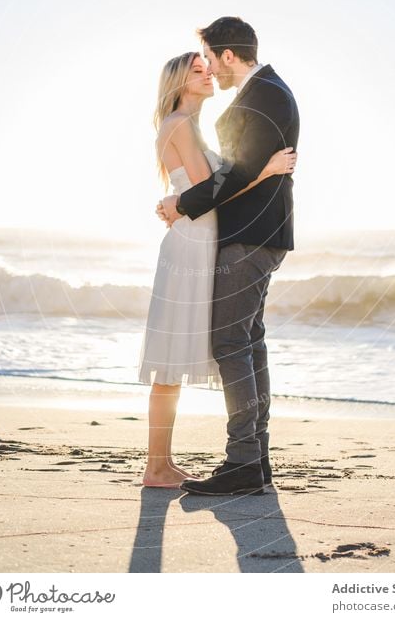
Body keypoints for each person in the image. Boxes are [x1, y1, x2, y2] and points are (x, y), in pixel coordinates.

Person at [138, 48, 297, 488]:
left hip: (203, 240)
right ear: (177, 82)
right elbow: (212, 189)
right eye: (197, 70)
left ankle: (163, 463)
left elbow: (214, 185)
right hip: (191, 246)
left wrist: (255, 171)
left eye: (207, 68)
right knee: (171, 358)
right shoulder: (178, 126)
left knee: (184, 353)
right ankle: (156, 466)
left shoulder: (191, 127)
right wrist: (265, 171)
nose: (207, 74)